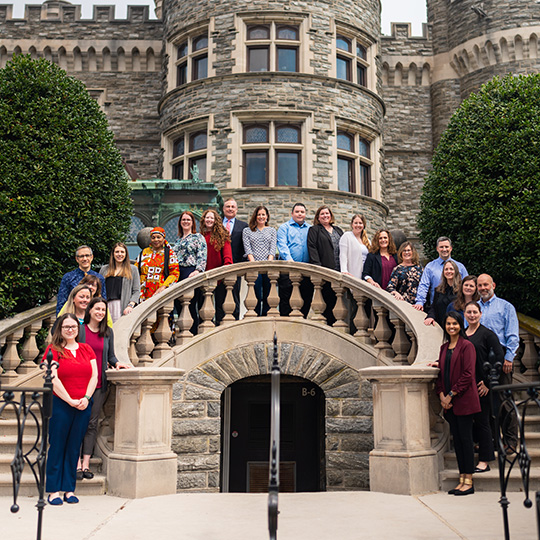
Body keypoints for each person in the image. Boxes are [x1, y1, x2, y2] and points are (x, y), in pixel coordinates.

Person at [43, 313, 98, 505]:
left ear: (78, 328)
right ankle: (53, 491)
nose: (70, 329)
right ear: (60, 329)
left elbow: (94, 376)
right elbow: (53, 378)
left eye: (73, 326)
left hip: (83, 404)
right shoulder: (53, 350)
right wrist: (69, 400)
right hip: (60, 404)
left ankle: (68, 489)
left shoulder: (86, 349)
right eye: (66, 326)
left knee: (74, 447)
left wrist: (86, 398)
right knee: (58, 445)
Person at [76, 298, 132, 480]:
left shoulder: (107, 332)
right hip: (79, 384)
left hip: (99, 385)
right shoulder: (80, 331)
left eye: (103, 309)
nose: (100, 312)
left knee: (92, 424)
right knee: (77, 423)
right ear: (90, 310)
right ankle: (75, 463)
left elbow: (111, 356)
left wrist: (118, 364)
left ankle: (85, 464)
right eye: (97, 309)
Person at [434, 312, 480, 496]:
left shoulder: (467, 346)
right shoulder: (444, 347)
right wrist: (441, 395)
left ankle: (469, 481)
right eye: (448, 324)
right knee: (458, 442)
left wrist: (451, 395)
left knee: (466, 441)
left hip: (464, 400)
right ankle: (462, 479)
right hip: (449, 403)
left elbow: (468, 375)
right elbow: (440, 373)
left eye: (454, 323)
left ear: (460, 325)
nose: (451, 327)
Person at [477, 273, 520, 453]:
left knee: (504, 400)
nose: (483, 288)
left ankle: (510, 440)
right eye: (480, 286)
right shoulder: (473, 308)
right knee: (485, 403)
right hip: (481, 358)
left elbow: (512, 334)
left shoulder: (505, 307)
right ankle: (493, 440)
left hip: (501, 358)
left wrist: (509, 357)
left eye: (486, 285)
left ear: (493, 285)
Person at [464, 301, 504, 473]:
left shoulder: (488, 335)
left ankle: (485, 460)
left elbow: (499, 358)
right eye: (469, 312)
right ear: (464, 314)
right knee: (468, 422)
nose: (472, 315)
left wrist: (488, 382)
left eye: (475, 312)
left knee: (483, 422)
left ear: (480, 314)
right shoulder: (462, 335)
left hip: (482, 386)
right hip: (466, 385)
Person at [308, 205, 344, 325]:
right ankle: (329, 325)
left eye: (327, 213)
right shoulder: (314, 230)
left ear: (331, 215)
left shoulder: (338, 230)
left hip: (339, 271)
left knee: (339, 300)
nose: (325, 216)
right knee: (327, 300)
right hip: (326, 271)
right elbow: (312, 249)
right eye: (322, 214)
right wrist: (318, 267)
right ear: (318, 217)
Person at [173, 211, 207, 333]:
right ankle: (182, 331)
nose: (185, 222)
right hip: (178, 274)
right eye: (183, 220)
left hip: (191, 272)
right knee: (178, 304)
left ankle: (192, 333)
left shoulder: (198, 237)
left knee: (190, 305)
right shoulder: (178, 241)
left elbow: (202, 256)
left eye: (188, 220)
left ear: (192, 223)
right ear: (180, 223)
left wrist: (198, 270)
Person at [276, 203, 313, 317]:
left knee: (306, 299)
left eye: (302, 212)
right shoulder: (284, 228)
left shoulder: (310, 229)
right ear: (292, 213)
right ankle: (285, 326)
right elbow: (282, 246)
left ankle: (301, 324)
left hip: (306, 270)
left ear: (305, 214)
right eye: (297, 212)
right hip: (288, 270)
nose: (299, 214)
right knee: (286, 300)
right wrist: (291, 262)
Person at [414, 237, 467, 312]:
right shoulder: (430, 267)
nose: (444, 249)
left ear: (451, 248)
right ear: (437, 249)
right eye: (441, 247)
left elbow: (467, 285)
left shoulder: (460, 267)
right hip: (437, 309)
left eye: (446, 247)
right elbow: (424, 285)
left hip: (457, 308)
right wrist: (420, 302)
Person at [200, 209, 233, 325]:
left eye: (211, 218)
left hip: (218, 276)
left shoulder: (222, 235)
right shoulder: (200, 236)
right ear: (204, 220)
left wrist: (226, 268)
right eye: (207, 217)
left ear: (216, 220)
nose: (209, 220)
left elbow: (228, 256)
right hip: (203, 277)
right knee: (203, 306)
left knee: (220, 305)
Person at [242, 205, 277, 316]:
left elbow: (272, 249)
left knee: (268, 293)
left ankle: (266, 316)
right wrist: (254, 264)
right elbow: (248, 249)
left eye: (263, 214)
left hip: (268, 266)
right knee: (255, 293)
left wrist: (268, 263)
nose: (261, 217)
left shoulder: (272, 230)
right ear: (255, 216)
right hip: (254, 266)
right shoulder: (247, 231)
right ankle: (255, 316)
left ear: (267, 217)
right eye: (259, 214)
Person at [56, 245, 106, 315]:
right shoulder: (68, 277)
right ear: (77, 259)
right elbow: (62, 302)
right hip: (73, 316)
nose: (85, 259)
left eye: (87, 255)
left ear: (91, 257)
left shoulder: (99, 278)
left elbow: (103, 300)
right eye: (81, 256)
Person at [99, 242, 140, 323]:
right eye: (117, 252)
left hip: (122, 306)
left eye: (122, 252)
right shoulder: (104, 269)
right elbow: (98, 289)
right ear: (113, 254)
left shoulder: (133, 269)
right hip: (106, 306)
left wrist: (130, 306)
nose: (119, 254)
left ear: (126, 254)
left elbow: (136, 291)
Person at [136, 226, 180, 301]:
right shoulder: (144, 252)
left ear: (163, 238)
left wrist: (164, 286)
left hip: (159, 291)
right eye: (153, 237)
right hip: (143, 292)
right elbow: (136, 270)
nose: (156, 240)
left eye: (158, 237)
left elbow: (174, 273)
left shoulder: (169, 253)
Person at [222, 198, 249, 319]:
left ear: (236, 210)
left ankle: (234, 321)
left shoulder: (243, 226)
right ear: (223, 209)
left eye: (233, 207)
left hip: (236, 266)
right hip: (219, 266)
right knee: (219, 296)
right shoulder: (217, 225)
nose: (230, 209)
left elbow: (246, 246)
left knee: (234, 296)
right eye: (228, 206)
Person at [424, 260, 461, 327]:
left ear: (456, 271)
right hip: (441, 326)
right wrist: (430, 316)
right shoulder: (438, 290)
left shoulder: (461, 289)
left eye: (451, 269)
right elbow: (434, 307)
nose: (448, 271)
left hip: (457, 327)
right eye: (446, 269)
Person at [339, 214, 370, 280]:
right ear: (352, 225)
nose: (358, 225)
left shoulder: (368, 241)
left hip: (365, 275)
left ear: (364, 225)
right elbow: (343, 255)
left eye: (360, 223)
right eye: (356, 223)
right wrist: (344, 270)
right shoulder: (347, 236)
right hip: (353, 273)